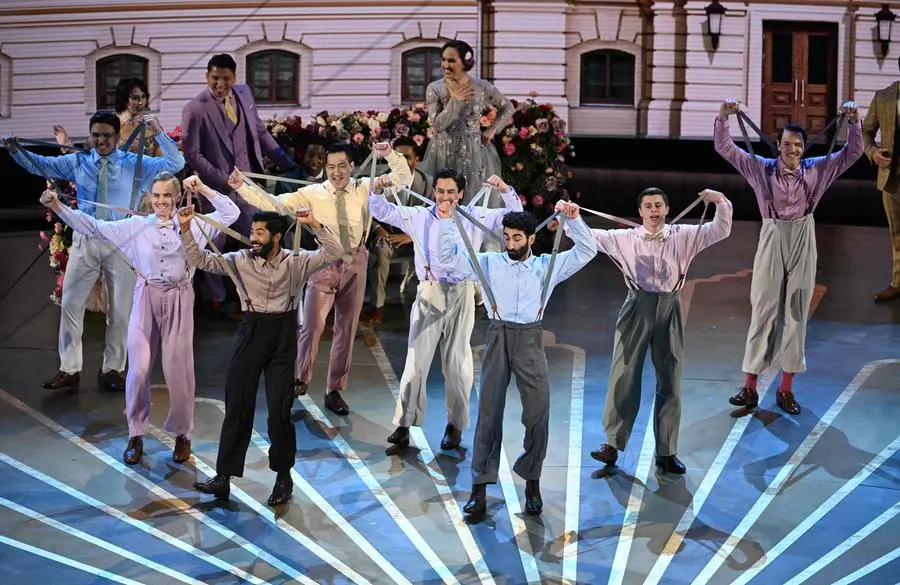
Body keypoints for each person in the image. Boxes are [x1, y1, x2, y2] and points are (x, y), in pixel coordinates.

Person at [39, 173, 239, 465]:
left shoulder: (192, 224)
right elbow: (93, 226)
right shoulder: (135, 226)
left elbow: (230, 213)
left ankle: (182, 435)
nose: (161, 202)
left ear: (177, 197)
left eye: (167, 196)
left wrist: (204, 188)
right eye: (156, 196)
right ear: (149, 197)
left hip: (180, 299)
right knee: (138, 370)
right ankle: (135, 433)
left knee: (178, 372)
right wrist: (58, 207)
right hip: (146, 297)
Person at [3, 111, 185, 392]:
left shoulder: (135, 164)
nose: (101, 141)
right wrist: (15, 150)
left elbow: (176, 163)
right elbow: (40, 165)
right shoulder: (78, 161)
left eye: (107, 135)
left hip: (122, 241)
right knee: (71, 304)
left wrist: (158, 131)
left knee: (121, 311)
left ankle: (113, 369)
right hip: (86, 239)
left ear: (116, 136)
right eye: (96, 135)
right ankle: (69, 369)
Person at [439, 204, 598, 516]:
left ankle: (532, 480)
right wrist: (446, 221)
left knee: (538, 412)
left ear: (530, 240)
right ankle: (480, 486)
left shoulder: (546, 266)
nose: (510, 245)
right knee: (488, 413)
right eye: (507, 238)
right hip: (497, 337)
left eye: (516, 239)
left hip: (530, 339)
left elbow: (587, 249)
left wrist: (575, 220)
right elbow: (448, 257)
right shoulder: (489, 263)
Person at [180, 206, 343, 506]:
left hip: (282, 336)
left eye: (259, 233)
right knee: (237, 404)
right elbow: (199, 260)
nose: (253, 238)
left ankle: (284, 478)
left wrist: (315, 224)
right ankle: (223, 477)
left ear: (277, 237)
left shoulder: (297, 262)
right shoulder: (239, 260)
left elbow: (334, 250)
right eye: (252, 232)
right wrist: (186, 229)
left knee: (279, 411)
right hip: (251, 330)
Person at [234, 142, 412, 415]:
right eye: (331, 167)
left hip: (356, 260)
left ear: (352, 167)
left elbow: (402, 178)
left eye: (342, 166)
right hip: (324, 262)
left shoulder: (365, 187)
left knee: (347, 328)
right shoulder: (313, 193)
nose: (336, 172)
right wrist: (241, 187)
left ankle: (335, 389)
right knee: (312, 326)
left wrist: (388, 153)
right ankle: (300, 381)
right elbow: (274, 204)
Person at [715, 98, 863, 415]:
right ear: (778, 145)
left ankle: (785, 390)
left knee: (797, 312)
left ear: (804, 148)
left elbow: (853, 153)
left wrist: (853, 121)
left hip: (802, 236)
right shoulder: (761, 168)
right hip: (772, 234)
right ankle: (750, 388)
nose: (791, 149)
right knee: (764, 308)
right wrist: (724, 117)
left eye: (797, 144)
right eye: (786, 143)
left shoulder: (818, 168)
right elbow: (726, 149)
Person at [369, 169, 523, 450]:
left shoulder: (473, 215)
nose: (445, 198)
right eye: (440, 192)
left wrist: (504, 189)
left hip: (462, 292)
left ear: (460, 194)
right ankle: (404, 424)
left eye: (451, 192)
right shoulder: (419, 216)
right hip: (430, 291)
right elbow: (380, 210)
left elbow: (514, 217)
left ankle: (454, 426)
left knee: (456, 363)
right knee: (416, 361)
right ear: (433, 192)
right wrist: (379, 187)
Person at [587, 188, 733, 474]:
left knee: (671, 378)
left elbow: (721, 229)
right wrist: (570, 218)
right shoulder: (624, 238)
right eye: (647, 206)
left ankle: (666, 451)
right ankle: (612, 444)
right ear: (640, 212)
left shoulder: (684, 235)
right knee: (624, 375)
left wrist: (719, 201)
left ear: (667, 209)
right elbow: (589, 237)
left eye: (658, 205)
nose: (653, 211)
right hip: (636, 308)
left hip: (670, 309)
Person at [181, 53, 295, 308]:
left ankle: (262, 293)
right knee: (214, 245)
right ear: (206, 77)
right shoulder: (194, 108)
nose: (220, 84)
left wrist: (286, 162)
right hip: (216, 191)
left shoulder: (244, 93)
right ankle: (215, 301)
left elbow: (259, 131)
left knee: (261, 237)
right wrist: (222, 180)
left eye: (225, 78)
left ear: (235, 77)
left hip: (249, 186)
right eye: (214, 78)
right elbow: (192, 154)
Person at [419, 40, 514, 208]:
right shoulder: (435, 88)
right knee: (443, 202)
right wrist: (454, 101)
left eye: (451, 61)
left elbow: (508, 107)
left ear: (465, 62)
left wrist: (492, 129)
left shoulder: (481, 86)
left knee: (474, 203)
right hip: (443, 151)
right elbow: (437, 125)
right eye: (443, 60)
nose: (445, 65)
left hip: (474, 152)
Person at [364, 136, 434, 324]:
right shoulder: (382, 180)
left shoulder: (428, 183)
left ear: (416, 159)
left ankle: (431, 302)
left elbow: (433, 217)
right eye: (398, 156)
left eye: (407, 157)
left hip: (417, 239)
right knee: (380, 249)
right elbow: (365, 208)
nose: (403, 161)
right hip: (387, 236)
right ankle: (377, 305)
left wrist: (410, 236)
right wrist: (378, 229)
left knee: (433, 250)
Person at [863, 69, 900, 302]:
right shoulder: (883, 97)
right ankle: (898, 282)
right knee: (897, 233)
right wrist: (874, 153)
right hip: (892, 178)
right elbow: (866, 131)